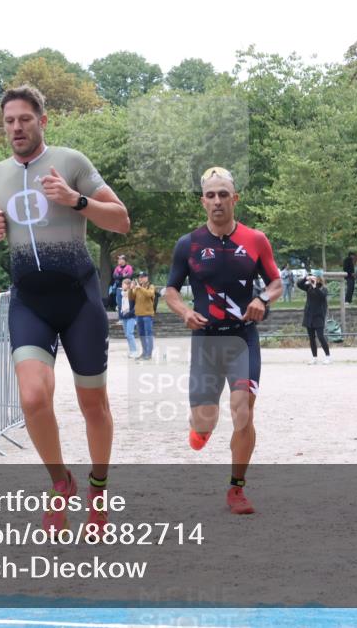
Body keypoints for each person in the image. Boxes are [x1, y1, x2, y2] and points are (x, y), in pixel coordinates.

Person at [0, 84, 130, 535]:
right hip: (30, 299)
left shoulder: (71, 162)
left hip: (79, 298)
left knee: (93, 405)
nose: (16, 128)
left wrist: (75, 200)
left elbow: (121, 219)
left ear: (42, 121)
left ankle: (98, 489)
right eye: (9, 121)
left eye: (24, 119)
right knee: (32, 397)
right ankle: (60, 482)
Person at [163, 166, 281, 515]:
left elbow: (275, 281)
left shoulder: (256, 240)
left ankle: (237, 489)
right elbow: (170, 289)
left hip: (242, 339)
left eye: (223, 194)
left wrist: (263, 299)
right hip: (206, 342)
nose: (217, 201)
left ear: (235, 199)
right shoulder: (188, 244)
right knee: (205, 420)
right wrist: (184, 311)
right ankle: (199, 429)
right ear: (203, 201)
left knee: (242, 411)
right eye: (211, 195)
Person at [297, 273, 330, 365]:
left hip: (318, 316)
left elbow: (322, 296)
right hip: (309, 316)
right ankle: (314, 357)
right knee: (311, 338)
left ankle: (328, 356)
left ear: (319, 279)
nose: (313, 279)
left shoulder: (323, 289)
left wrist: (315, 286)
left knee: (320, 336)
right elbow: (299, 285)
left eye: (315, 277)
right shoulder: (309, 287)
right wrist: (306, 278)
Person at [129, 272, 156, 361]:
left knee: (148, 334)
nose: (141, 279)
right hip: (138, 314)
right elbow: (131, 298)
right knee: (141, 335)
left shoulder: (151, 286)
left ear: (147, 278)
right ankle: (144, 352)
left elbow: (149, 294)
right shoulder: (137, 288)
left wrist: (140, 288)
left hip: (147, 315)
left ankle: (149, 353)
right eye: (140, 277)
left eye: (143, 277)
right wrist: (131, 288)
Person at [118, 278, 138, 358]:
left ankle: (135, 351)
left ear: (128, 285)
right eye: (122, 284)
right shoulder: (121, 294)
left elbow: (135, 307)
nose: (122, 286)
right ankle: (131, 351)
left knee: (130, 334)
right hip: (124, 316)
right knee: (127, 334)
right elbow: (120, 305)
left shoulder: (132, 294)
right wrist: (122, 314)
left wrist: (129, 313)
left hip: (131, 317)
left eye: (124, 284)